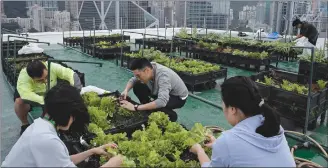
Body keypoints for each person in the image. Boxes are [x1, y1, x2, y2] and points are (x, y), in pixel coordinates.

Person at [2, 84, 123, 167]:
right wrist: (111, 165)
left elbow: (62, 161)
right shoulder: (46, 139)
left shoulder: (40, 126)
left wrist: (91, 151)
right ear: (69, 115)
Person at [190, 76, 296, 167]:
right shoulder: (274, 126)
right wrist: (217, 145)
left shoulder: (227, 141)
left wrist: (200, 151)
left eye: (223, 103)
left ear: (232, 109)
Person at [15, 60, 83, 135]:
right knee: (19, 102)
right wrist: (47, 102)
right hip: (34, 97)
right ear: (31, 78)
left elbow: (70, 74)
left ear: (46, 69)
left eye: (46, 77)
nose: (45, 81)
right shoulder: (24, 76)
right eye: (40, 80)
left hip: (49, 93)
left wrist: (76, 91)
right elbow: (26, 94)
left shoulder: (52, 66)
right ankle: (25, 124)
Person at [120, 58, 188, 122]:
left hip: (177, 97)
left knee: (158, 105)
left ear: (147, 71)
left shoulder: (163, 76)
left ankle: (171, 116)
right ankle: (147, 108)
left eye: (138, 75)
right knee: (138, 85)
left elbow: (162, 101)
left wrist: (135, 107)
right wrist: (126, 90)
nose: (137, 77)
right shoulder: (150, 67)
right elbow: (133, 80)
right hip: (161, 91)